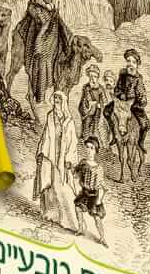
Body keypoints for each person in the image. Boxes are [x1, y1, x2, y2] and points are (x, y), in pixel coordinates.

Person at [11, 0, 76, 109]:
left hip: (48, 8)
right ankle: (38, 50)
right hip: (37, 8)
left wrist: (52, 4)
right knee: (44, 27)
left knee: (61, 27)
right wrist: (46, 5)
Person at [33, 87, 79, 231]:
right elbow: (46, 135)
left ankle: (67, 221)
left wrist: (69, 158)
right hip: (50, 155)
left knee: (62, 188)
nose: (57, 101)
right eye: (55, 98)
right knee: (48, 185)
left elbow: (73, 141)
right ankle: (50, 214)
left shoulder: (69, 121)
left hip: (63, 158)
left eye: (59, 99)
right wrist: (42, 151)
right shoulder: (50, 116)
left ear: (63, 101)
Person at [113, 49, 150, 157]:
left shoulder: (139, 79)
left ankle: (140, 142)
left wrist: (135, 102)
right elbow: (117, 89)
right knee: (107, 111)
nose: (130, 64)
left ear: (137, 64)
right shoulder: (122, 75)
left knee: (145, 125)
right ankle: (114, 135)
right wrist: (120, 95)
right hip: (121, 104)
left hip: (134, 106)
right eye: (128, 61)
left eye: (133, 62)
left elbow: (143, 99)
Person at [72, 137, 107, 246]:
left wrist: (99, 200)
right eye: (87, 147)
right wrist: (73, 171)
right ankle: (81, 228)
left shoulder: (99, 167)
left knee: (96, 217)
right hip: (84, 192)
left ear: (96, 150)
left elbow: (102, 186)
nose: (89, 150)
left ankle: (102, 238)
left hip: (94, 194)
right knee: (78, 208)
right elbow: (76, 173)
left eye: (92, 148)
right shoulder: (83, 162)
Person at [77, 61, 107, 145]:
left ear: (97, 77)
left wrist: (100, 105)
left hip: (97, 110)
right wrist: (87, 106)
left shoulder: (100, 88)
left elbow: (104, 100)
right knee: (86, 124)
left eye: (94, 76)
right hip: (88, 110)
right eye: (90, 76)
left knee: (96, 125)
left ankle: (95, 141)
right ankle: (85, 140)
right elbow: (85, 98)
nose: (92, 79)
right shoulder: (86, 87)